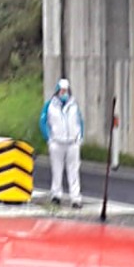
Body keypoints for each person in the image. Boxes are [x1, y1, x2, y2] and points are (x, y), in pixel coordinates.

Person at [39, 76, 84, 209]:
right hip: (57, 142)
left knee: (74, 171)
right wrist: (49, 138)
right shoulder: (50, 105)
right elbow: (42, 122)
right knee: (57, 170)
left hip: (72, 143)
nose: (64, 93)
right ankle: (56, 195)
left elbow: (80, 122)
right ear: (57, 91)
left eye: (66, 91)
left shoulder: (74, 105)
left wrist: (79, 138)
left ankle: (75, 198)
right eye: (62, 91)